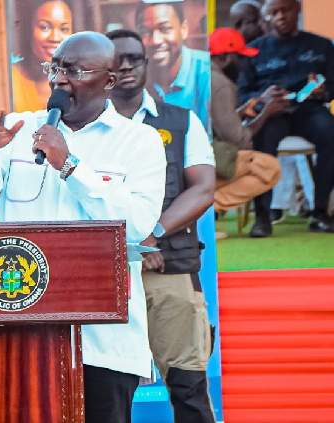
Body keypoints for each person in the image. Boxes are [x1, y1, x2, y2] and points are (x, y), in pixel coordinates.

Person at [0, 31, 166, 423]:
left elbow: (135, 225)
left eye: (75, 71)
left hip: (102, 342)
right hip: (21, 334)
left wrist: (70, 166)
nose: (60, 80)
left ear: (110, 81)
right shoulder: (18, 131)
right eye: (56, 68)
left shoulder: (141, 142)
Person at [107, 28, 216, 423]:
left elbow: (203, 188)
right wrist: (131, 248)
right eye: (116, 59)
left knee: (188, 388)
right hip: (105, 276)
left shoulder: (182, 121)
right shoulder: (81, 129)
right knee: (109, 394)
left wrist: (151, 235)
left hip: (168, 269)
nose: (125, 66)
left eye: (134, 58)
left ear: (146, 62)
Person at [237, 0, 334, 235]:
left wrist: (324, 92)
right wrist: (262, 97)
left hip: (309, 111)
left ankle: (320, 213)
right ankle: (262, 217)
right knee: (261, 138)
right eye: (274, 12)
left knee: (330, 131)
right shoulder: (255, 50)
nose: (280, 16)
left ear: (297, 10)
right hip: (272, 113)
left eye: (285, 10)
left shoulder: (322, 46)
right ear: (268, 15)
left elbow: (332, 85)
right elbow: (242, 93)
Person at [209, 28, 283, 213]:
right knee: (269, 167)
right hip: (201, 164)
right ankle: (204, 209)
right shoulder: (220, 83)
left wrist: (239, 113)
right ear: (225, 58)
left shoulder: (196, 72)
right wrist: (266, 112)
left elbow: (210, 122)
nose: (243, 65)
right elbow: (238, 140)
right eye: (240, 58)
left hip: (178, 160)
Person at [135, 0, 210, 127]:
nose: (155, 40)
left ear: (184, 30)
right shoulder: (133, 72)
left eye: (165, 29)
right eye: (145, 32)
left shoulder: (205, 70)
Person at [12, 0, 73, 112]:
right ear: (28, 30)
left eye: (63, 29)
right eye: (44, 27)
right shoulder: (12, 80)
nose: (54, 38)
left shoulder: (80, 80)